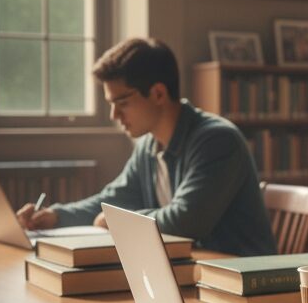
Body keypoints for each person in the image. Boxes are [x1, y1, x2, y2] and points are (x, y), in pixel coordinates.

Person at [16, 38, 276, 256]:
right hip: (191, 276)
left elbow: (185, 221)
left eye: (122, 102)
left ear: (158, 94)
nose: (114, 115)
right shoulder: (148, 146)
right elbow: (111, 201)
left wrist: (117, 223)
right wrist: (55, 216)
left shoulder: (217, 140)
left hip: (240, 285)